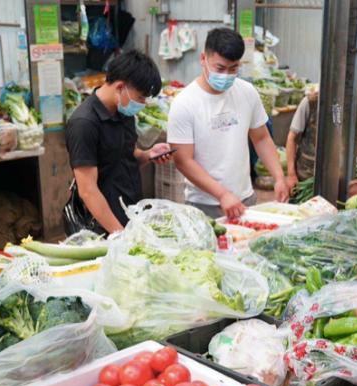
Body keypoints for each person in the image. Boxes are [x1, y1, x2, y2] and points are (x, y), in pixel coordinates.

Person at [168, 28, 289, 219]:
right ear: (203, 59)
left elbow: (262, 138)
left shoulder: (247, 92)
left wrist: (279, 177)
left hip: (245, 198)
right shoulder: (185, 103)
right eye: (220, 68)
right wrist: (222, 194)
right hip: (204, 204)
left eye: (233, 69)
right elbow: (183, 161)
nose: (226, 75)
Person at [64, 50, 170, 234]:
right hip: (101, 227)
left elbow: (128, 155)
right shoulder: (84, 123)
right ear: (120, 87)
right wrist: (119, 234)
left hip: (130, 215)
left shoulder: (124, 112)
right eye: (141, 97)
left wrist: (148, 155)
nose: (143, 103)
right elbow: (88, 190)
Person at [286, 87, 319, 185]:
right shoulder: (310, 102)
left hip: (338, 178)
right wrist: (291, 175)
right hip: (306, 175)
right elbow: (292, 138)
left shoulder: (352, 106)